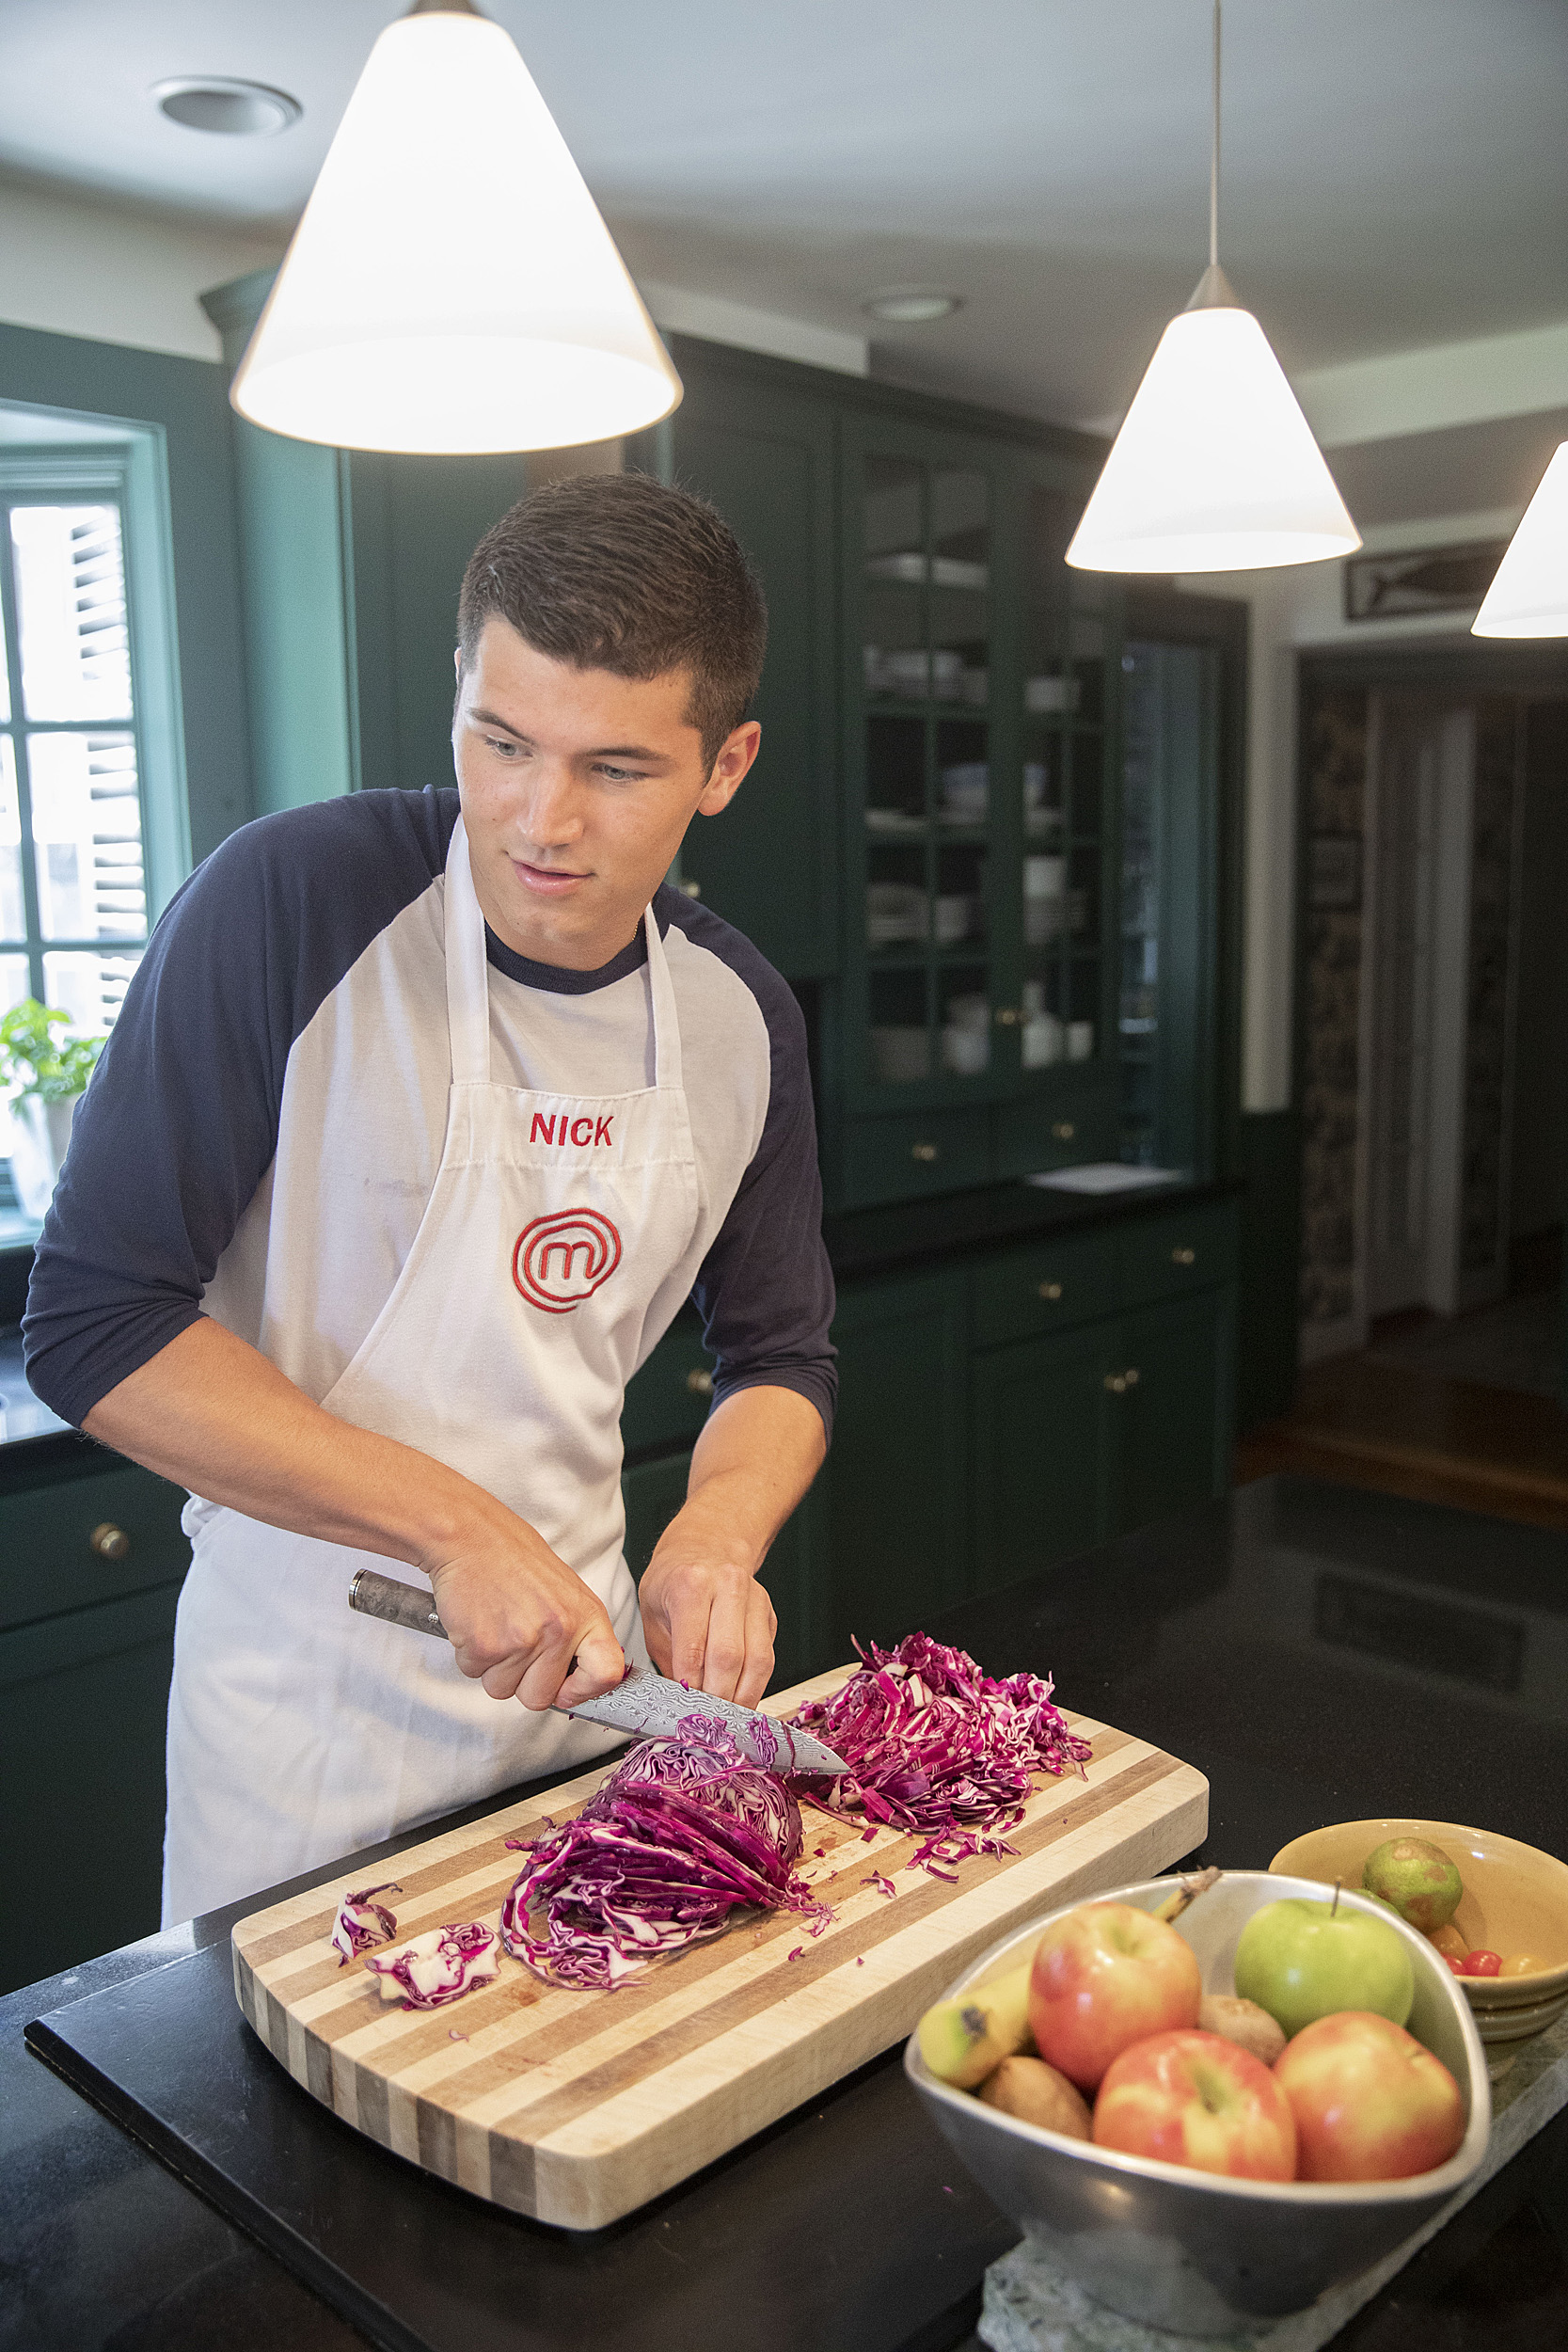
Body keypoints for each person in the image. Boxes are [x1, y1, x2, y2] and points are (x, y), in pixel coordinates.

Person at [23, 471, 836, 1923]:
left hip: (583, 1711)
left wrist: (717, 1532)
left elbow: (779, 1355)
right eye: (499, 740)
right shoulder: (290, 903)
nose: (541, 819)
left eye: (619, 769)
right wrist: (456, 1528)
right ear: (459, 689)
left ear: (728, 763)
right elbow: (95, 1328)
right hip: (298, 1718)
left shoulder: (738, 1017)